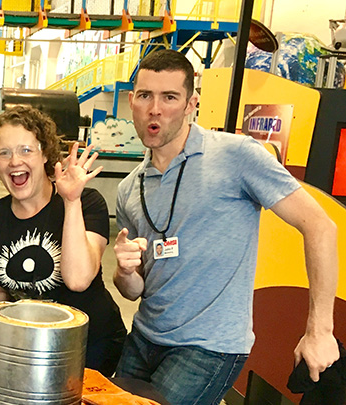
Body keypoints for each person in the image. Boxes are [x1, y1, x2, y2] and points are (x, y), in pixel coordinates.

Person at [113, 49, 339, 404]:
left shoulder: (237, 156)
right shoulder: (130, 188)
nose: (155, 108)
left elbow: (321, 227)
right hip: (143, 338)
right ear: (132, 102)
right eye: (145, 96)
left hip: (207, 348)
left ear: (191, 104)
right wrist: (125, 271)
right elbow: (134, 289)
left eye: (169, 97)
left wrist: (320, 330)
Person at [0, 106, 127, 375]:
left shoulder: (87, 202)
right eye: (4, 153)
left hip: (91, 348)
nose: (14, 161)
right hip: (31, 349)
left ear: (45, 153)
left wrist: (71, 201)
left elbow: (78, 279)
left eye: (26, 150)